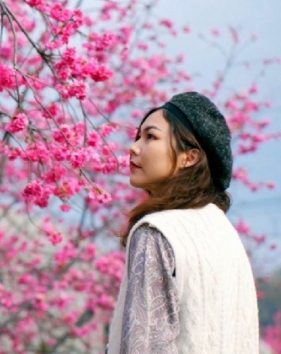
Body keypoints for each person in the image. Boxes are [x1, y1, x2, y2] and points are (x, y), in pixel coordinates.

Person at [106, 92, 260, 353]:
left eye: (150, 137)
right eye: (138, 137)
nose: (134, 148)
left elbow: (145, 345)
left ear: (190, 157)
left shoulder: (157, 231)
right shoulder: (225, 232)